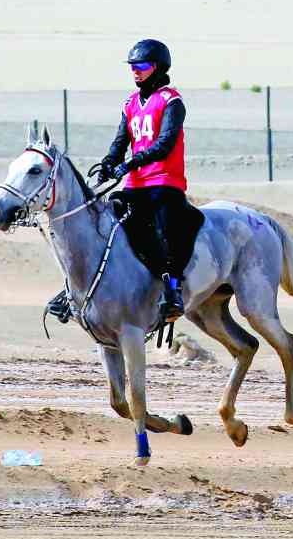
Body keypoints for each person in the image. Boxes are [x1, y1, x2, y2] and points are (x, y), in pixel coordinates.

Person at [46, 39, 191, 325]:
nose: (135, 71)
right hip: (136, 185)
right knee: (101, 223)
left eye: (142, 66)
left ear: (158, 67)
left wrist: (129, 163)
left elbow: (164, 144)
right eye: (133, 67)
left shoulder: (172, 101)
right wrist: (109, 163)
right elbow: (120, 142)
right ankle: (72, 290)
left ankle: (172, 292)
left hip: (165, 182)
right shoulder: (130, 104)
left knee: (163, 230)